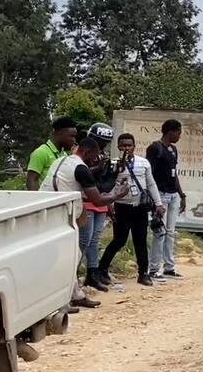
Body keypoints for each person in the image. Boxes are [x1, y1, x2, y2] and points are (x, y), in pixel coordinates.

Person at [41, 137, 127, 309]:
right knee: (72, 255)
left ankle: (75, 294)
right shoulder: (81, 168)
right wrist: (119, 194)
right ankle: (62, 299)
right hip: (62, 214)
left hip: (48, 209)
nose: (94, 160)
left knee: (72, 252)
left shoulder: (62, 160)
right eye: (93, 156)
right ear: (86, 152)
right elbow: (98, 200)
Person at [99, 133, 165, 286]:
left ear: (134, 146)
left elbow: (151, 184)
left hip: (140, 207)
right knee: (119, 240)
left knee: (140, 240)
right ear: (118, 146)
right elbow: (107, 186)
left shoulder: (144, 163)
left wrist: (158, 203)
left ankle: (143, 273)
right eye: (123, 146)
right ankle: (102, 270)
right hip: (122, 207)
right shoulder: (113, 164)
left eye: (129, 145)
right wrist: (109, 206)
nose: (126, 148)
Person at [80, 122, 118, 292]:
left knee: (94, 240)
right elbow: (81, 173)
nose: (101, 145)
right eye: (99, 141)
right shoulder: (81, 153)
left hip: (101, 200)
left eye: (105, 142)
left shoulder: (102, 155)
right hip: (86, 200)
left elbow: (104, 182)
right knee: (84, 240)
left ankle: (92, 274)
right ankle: (75, 273)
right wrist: (97, 168)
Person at [147, 119, 187, 280]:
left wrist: (182, 194)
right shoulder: (155, 148)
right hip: (160, 195)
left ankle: (169, 268)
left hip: (173, 195)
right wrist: (154, 200)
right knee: (160, 232)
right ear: (171, 131)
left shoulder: (173, 150)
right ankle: (153, 269)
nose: (179, 136)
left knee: (170, 232)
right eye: (178, 133)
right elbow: (149, 175)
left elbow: (174, 173)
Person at [27, 117, 78, 191]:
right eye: (72, 136)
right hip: (47, 201)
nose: (74, 141)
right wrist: (39, 200)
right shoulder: (41, 152)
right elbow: (31, 181)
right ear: (59, 133)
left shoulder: (64, 155)